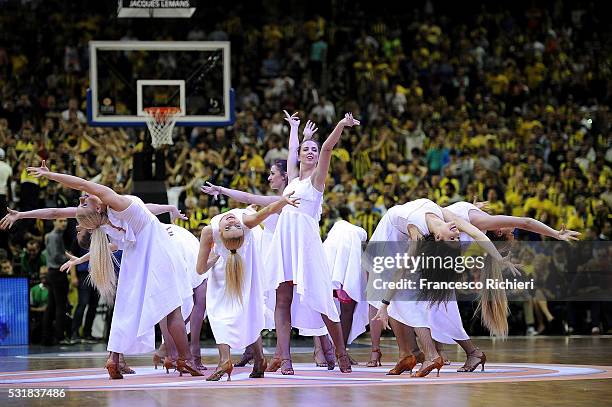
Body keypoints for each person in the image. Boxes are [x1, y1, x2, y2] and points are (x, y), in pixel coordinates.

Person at [25, 160, 201, 379]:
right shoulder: (111, 202)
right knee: (172, 308)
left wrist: (21, 215)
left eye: (81, 202)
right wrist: (50, 176)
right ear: (97, 207)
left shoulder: (100, 221)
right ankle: (185, 359)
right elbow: (82, 185)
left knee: (124, 309)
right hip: (157, 251)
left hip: (134, 258)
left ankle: (113, 359)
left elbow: (54, 213)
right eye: (83, 203)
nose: (82, 199)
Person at [369, 198, 516, 377]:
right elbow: (479, 235)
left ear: (439, 239)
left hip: (394, 240)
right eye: (456, 238)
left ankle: (423, 354)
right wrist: (499, 258)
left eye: (453, 238)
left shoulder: (418, 235)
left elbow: (400, 271)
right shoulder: (446, 215)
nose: (456, 233)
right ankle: (410, 354)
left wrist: (384, 304)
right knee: (425, 303)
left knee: (407, 299)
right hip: (393, 236)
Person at [264, 111, 360, 374]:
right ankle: (285, 359)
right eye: (305, 149)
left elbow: (329, 146)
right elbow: (292, 148)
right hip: (285, 240)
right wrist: (294, 129)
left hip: (306, 243)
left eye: (313, 150)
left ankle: (341, 353)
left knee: (323, 300)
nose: (309, 152)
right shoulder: (292, 177)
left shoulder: (317, 180)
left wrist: (341, 124)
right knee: (281, 299)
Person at [196, 195, 300, 381]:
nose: (232, 222)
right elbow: (268, 210)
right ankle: (258, 360)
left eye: (233, 226)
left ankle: (225, 361)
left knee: (222, 316)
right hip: (236, 271)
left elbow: (200, 269)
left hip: (238, 269)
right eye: (230, 227)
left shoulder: (209, 231)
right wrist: (284, 200)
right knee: (247, 315)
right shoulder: (246, 221)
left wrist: (215, 257)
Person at [42, 218, 69, 345]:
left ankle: (48, 337)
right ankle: (59, 336)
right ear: (54, 222)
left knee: (53, 305)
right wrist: (70, 257)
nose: (63, 223)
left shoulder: (55, 236)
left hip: (54, 272)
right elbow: (56, 256)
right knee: (60, 305)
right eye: (60, 220)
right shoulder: (54, 237)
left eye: (65, 221)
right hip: (57, 272)